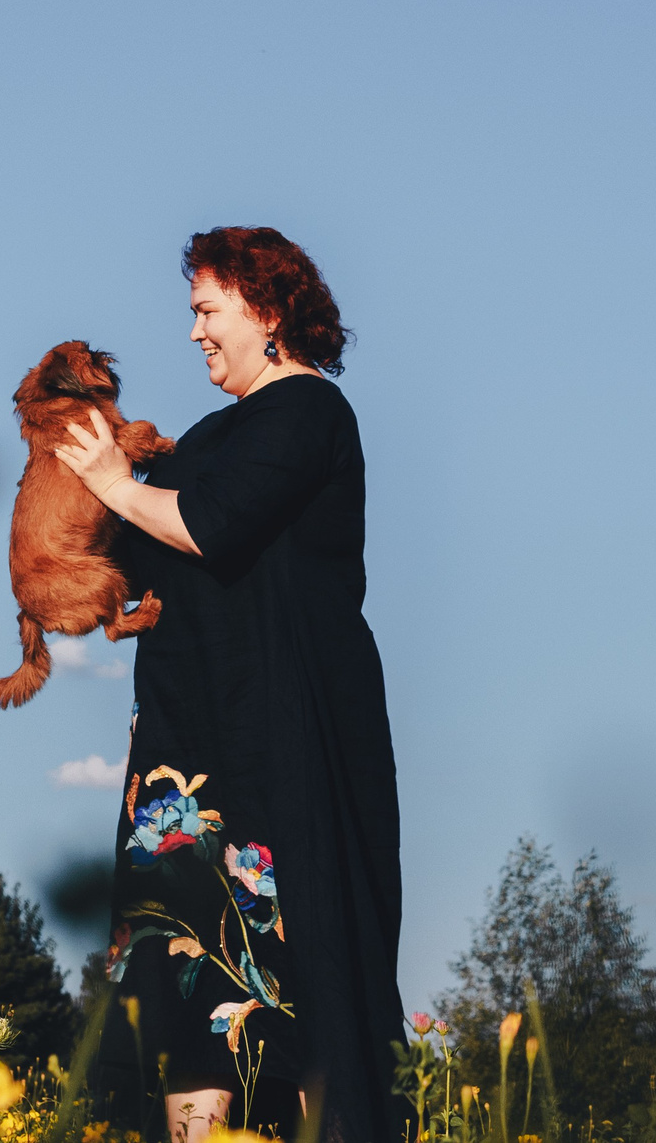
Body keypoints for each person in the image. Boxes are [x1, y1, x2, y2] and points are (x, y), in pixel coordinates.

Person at [57, 226, 404, 1143]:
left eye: (208, 310)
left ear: (269, 310)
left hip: (277, 752)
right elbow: (134, 541)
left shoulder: (309, 414)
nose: (195, 331)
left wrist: (114, 481)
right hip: (187, 757)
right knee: (179, 994)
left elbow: (210, 524)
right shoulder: (212, 435)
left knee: (278, 987)